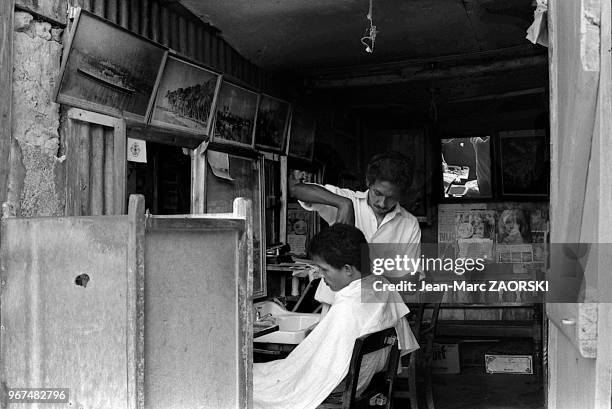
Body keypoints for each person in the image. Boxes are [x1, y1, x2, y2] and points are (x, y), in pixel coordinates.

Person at [253, 224, 419, 409]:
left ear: (348, 269)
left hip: (338, 386)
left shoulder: (349, 308)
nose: (321, 276)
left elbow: (322, 370)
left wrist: (310, 349)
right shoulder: (380, 286)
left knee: (249, 384)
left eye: (325, 270)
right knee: (263, 375)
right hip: (364, 380)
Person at [289, 151, 422, 310]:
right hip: (336, 306)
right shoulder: (348, 199)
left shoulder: (409, 224)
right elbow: (297, 189)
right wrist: (342, 203)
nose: (382, 203)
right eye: (377, 193)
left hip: (378, 310)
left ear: (401, 194)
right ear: (368, 182)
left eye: (391, 197)